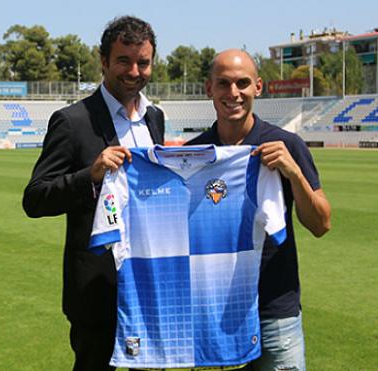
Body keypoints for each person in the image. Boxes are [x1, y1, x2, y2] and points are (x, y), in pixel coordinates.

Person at [22, 16, 164, 371]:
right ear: (103, 61)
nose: (134, 71)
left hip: (150, 286)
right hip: (99, 293)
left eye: (143, 62)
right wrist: (92, 175)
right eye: (123, 61)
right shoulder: (73, 121)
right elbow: (35, 198)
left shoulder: (155, 118)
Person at [186, 49, 332, 371]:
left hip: (275, 314)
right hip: (212, 317)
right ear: (209, 88)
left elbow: (321, 223)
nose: (233, 93)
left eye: (242, 83)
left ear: (258, 87)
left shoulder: (286, 146)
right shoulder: (192, 157)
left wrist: (293, 174)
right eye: (223, 84)